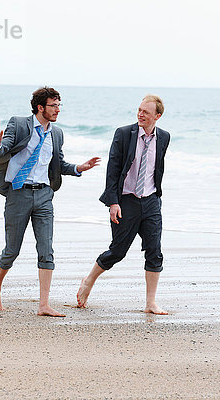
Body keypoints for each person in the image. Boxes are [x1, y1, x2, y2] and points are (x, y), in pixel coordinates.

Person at [0, 86, 100, 317]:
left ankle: (44, 305)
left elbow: (58, 164)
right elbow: (4, 151)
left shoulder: (57, 134)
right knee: (12, 250)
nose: (58, 109)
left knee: (46, 250)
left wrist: (79, 168)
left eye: (59, 105)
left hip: (44, 196)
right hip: (18, 193)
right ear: (41, 107)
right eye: (53, 105)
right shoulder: (19, 124)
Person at [76, 95, 170, 315]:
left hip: (151, 200)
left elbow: (158, 168)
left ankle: (150, 302)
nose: (140, 115)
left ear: (157, 116)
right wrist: (113, 202)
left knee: (155, 251)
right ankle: (89, 280)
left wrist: (156, 198)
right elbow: (113, 170)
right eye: (139, 110)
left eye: (146, 112)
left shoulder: (164, 137)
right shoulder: (123, 134)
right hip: (125, 201)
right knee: (118, 251)